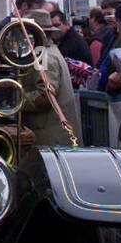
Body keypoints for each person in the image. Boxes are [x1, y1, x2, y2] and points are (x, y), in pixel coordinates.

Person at [17, 11, 82, 147]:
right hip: (52, 137)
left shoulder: (44, 56)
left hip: (50, 139)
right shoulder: (48, 52)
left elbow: (45, 96)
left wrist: (15, 102)